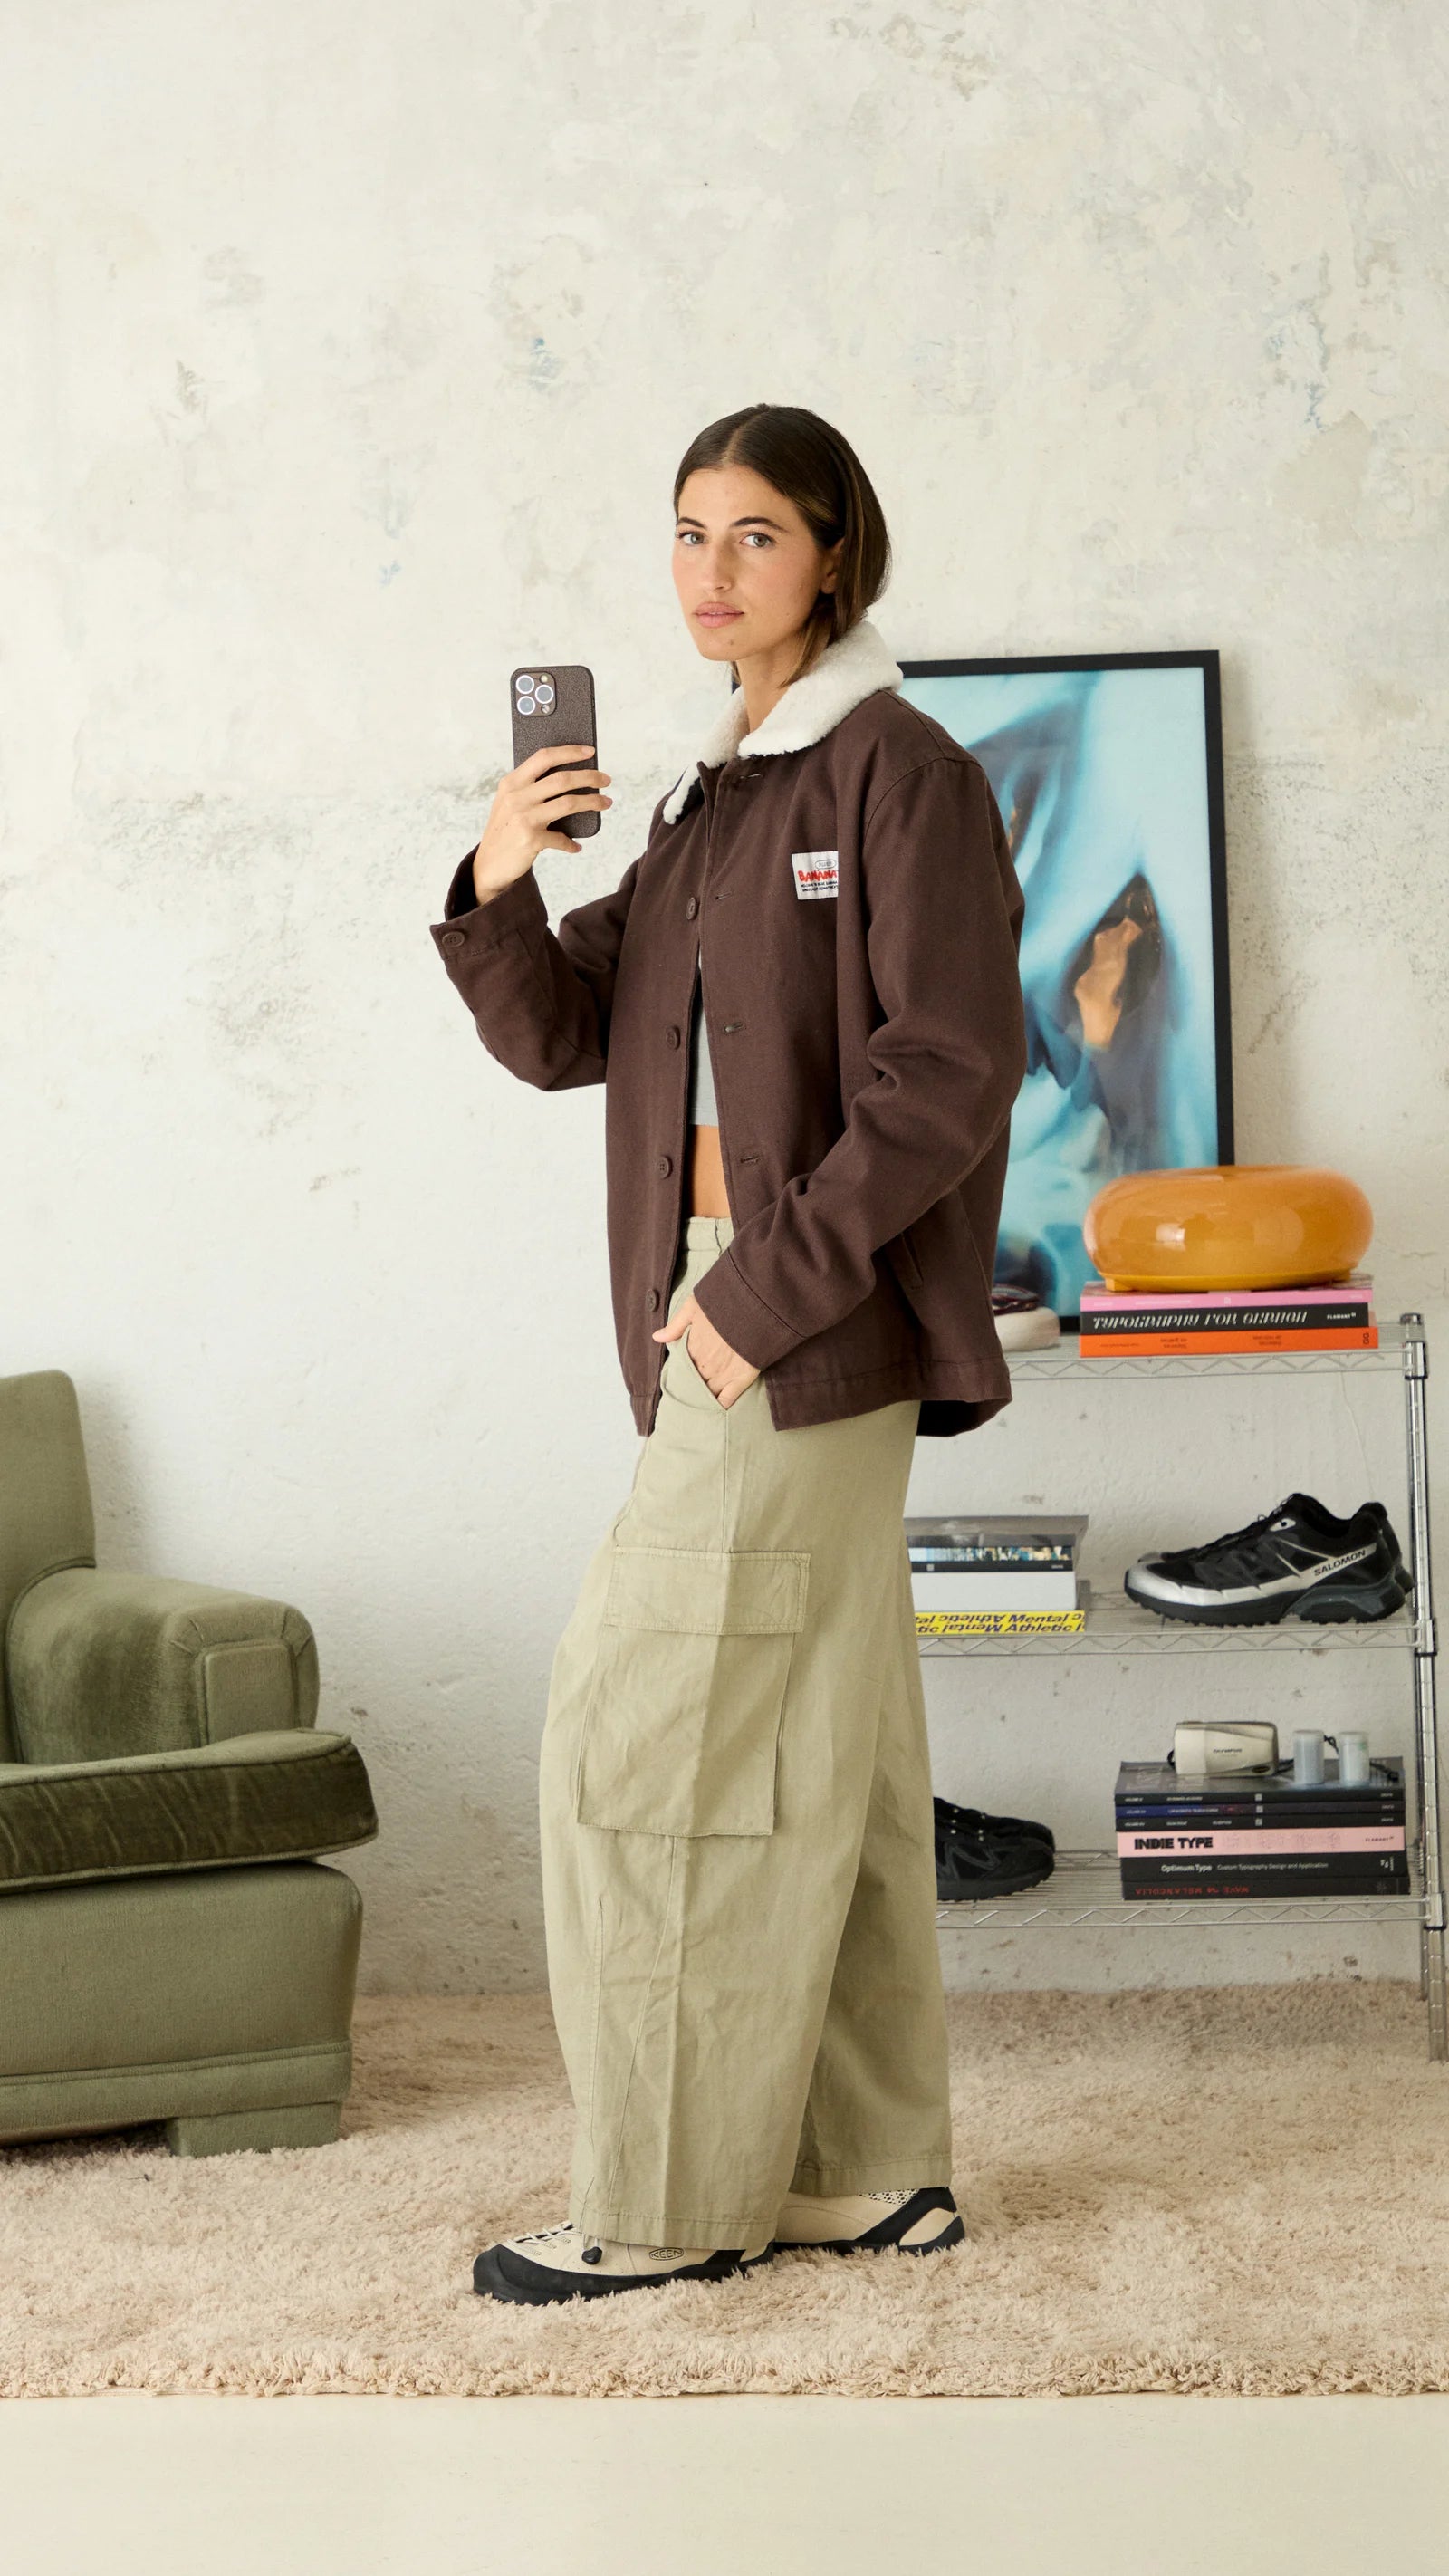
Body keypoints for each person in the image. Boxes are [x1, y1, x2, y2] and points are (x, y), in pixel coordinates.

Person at [430, 403, 1026, 2307]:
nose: (710, 571)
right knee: (824, 1745)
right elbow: (564, 1033)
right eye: (688, 533)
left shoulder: (898, 773)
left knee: (652, 1751)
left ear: (835, 554)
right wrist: (501, 871)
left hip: (786, 1314)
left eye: (755, 535)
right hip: (727, 1301)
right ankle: (865, 2170)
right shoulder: (711, 798)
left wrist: (752, 1295)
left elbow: (949, 1070)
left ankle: (670, 2205)